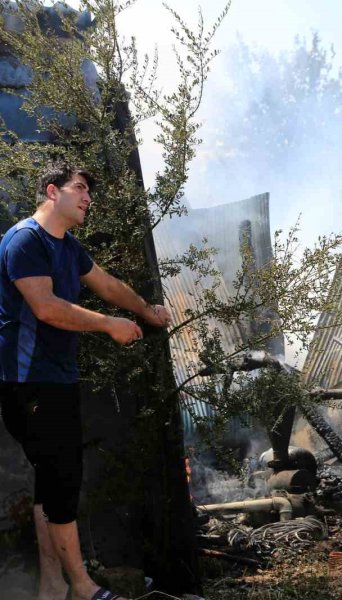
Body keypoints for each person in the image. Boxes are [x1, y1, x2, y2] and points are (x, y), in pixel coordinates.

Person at [0, 163, 172, 600]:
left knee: (52, 480)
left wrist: (145, 312)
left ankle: (52, 586)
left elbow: (107, 284)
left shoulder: (68, 246)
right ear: (51, 191)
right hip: (29, 383)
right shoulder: (25, 241)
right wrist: (109, 325)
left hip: (57, 380)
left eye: (89, 192)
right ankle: (81, 586)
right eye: (79, 188)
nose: (87, 198)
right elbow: (46, 307)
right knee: (60, 479)